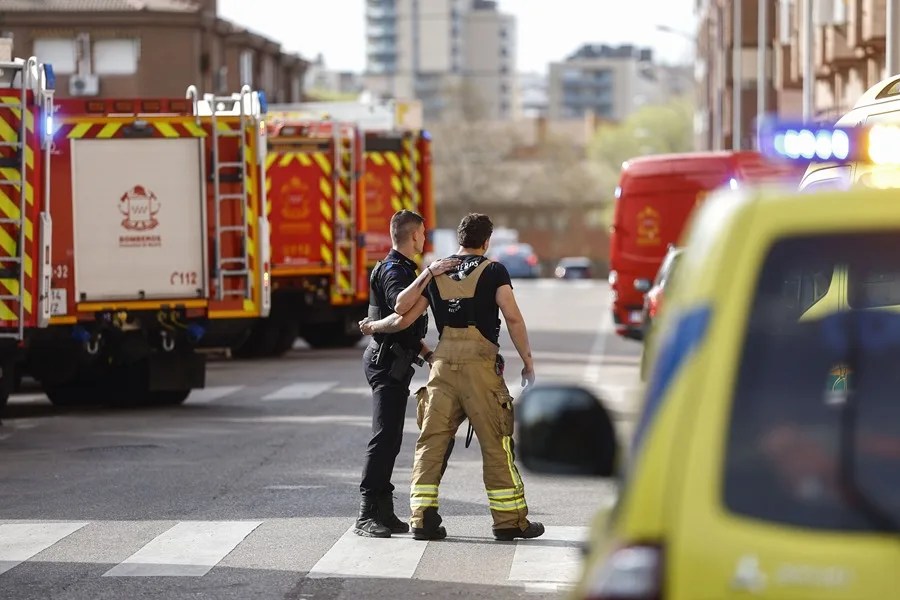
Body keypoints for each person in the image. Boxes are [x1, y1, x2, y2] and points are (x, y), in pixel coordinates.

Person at [359, 213, 544, 542]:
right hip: (479, 369)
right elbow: (513, 318)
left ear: (459, 238)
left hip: (442, 367)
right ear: (486, 242)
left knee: (430, 443)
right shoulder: (494, 270)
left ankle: (422, 519)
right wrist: (528, 362)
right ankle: (509, 521)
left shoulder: (437, 272)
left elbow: (402, 318)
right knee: (497, 443)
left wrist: (373, 327)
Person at [354, 210, 459, 538]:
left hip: (396, 361)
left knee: (392, 438)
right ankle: (366, 513)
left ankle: (384, 511)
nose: (424, 239)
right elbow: (400, 307)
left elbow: (407, 329)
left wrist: (429, 355)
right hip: (384, 363)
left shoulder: (403, 269)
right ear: (414, 236)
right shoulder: (393, 270)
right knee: (384, 437)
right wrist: (429, 272)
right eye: (423, 234)